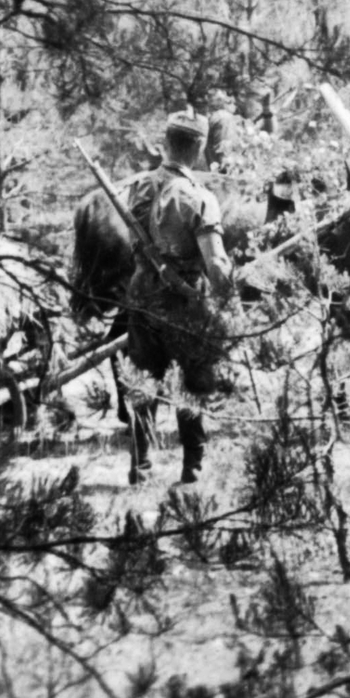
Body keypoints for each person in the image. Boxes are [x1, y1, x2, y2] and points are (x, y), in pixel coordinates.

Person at [122, 111, 236, 486]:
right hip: (183, 301)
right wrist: (229, 286)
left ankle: (139, 468)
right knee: (193, 382)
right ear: (199, 148)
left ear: (166, 143)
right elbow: (216, 266)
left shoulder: (136, 187)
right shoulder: (200, 198)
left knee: (143, 381)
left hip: (140, 296)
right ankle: (192, 469)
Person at [203, 86, 241, 170]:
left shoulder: (214, 117)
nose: (234, 101)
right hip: (222, 173)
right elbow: (224, 156)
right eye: (229, 101)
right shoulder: (224, 117)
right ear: (219, 102)